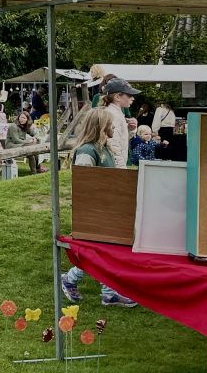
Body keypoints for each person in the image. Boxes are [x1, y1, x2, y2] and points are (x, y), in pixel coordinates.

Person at [61, 108, 137, 307]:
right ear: (101, 127)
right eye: (110, 124)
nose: (113, 127)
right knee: (103, 252)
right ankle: (104, 291)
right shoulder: (88, 151)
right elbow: (85, 185)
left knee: (103, 252)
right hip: (95, 212)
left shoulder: (104, 148)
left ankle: (85, 284)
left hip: (107, 209)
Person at [101, 77, 140, 168]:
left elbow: (121, 137)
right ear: (117, 97)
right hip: (114, 167)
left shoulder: (117, 112)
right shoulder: (114, 114)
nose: (133, 98)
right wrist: (121, 169)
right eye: (129, 95)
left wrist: (130, 129)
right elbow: (113, 144)